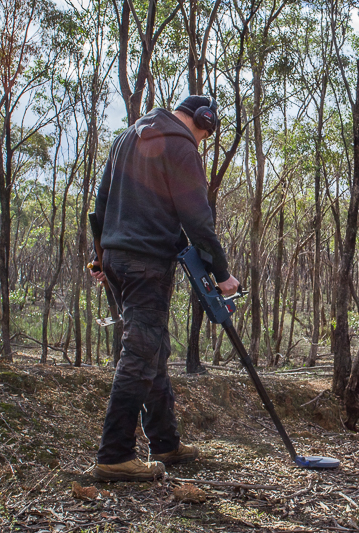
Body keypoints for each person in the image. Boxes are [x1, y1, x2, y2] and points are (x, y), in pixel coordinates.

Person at [90, 95, 240, 481]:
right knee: (140, 353)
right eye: (206, 134)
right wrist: (222, 274)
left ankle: (166, 443)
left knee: (152, 347)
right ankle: (115, 455)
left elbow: (100, 205)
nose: (203, 142)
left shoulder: (125, 138)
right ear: (202, 121)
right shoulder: (180, 144)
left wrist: (100, 258)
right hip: (145, 262)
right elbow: (197, 218)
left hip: (117, 258)